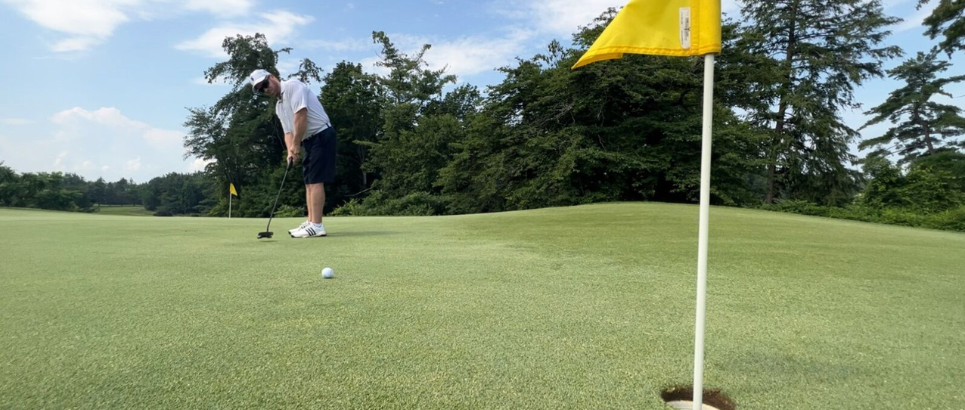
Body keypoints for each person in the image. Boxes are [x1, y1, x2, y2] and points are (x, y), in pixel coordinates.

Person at [248, 69, 336, 238]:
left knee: (316, 180)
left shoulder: (293, 86)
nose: (265, 89)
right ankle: (311, 221)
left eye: (265, 84)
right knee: (309, 180)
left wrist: (296, 145)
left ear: (272, 77)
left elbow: (301, 116)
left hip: (322, 134)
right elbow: (288, 132)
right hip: (309, 140)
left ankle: (317, 225)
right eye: (260, 89)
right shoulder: (279, 106)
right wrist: (290, 152)